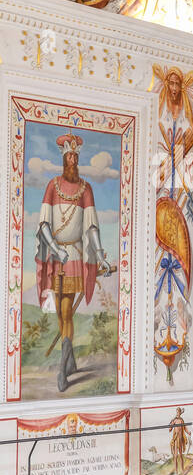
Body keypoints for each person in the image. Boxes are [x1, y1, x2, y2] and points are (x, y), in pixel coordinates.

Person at [35, 132, 114, 392]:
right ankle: (70, 360)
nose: (72, 159)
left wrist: (100, 254)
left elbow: (91, 227)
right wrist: (55, 248)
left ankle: (62, 370)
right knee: (60, 311)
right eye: (68, 155)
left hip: (75, 257)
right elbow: (44, 223)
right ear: (63, 159)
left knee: (67, 311)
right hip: (57, 257)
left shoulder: (85, 189)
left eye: (75, 156)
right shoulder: (53, 185)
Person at [167, 408, 190, 475]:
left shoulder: (181, 420)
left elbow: (185, 427)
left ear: (180, 412)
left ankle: (182, 470)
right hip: (176, 439)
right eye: (177, 412)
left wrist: (188, 432)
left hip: (181, 439)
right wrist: (171, 423)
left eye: (179, 412)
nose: (178, 413)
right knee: (176, 456)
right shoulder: (175, 420)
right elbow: (170, 429)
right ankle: (176, 472)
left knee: (181, 456)